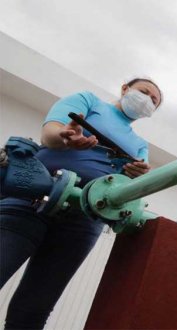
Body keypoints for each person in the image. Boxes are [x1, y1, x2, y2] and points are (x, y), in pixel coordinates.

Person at [0, 78, 162, 329]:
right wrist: (66, 137)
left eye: (154, 101)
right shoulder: (88, 101)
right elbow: (51, 134)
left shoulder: (140, 145)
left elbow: (127, 186)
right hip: (32, 199)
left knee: (36, 305)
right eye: (144, 92)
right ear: (125, 89)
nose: (148, 100)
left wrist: (135, 176)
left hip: (83, 220)